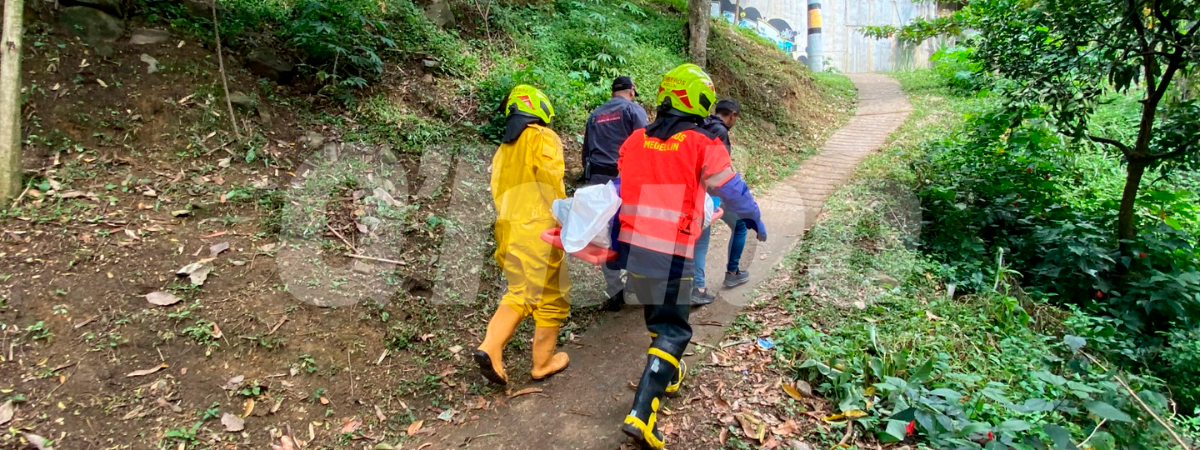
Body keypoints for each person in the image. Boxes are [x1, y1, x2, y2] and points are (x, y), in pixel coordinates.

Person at [614, 64, 767, 450]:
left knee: (658, 319)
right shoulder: (702, 143)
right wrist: (753, 216)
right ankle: (641, 413)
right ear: (698, 101)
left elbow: (619, 186)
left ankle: (670, 373)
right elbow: (731, 189)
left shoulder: (635, 140)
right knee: (674, 331)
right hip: (672, 251)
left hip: (636, 249)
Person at [473, 85, 572, 386]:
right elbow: (550, 180)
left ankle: (494, 347)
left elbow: (497, 192)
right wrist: (566, 218)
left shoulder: (503, 151)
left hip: (508, 231)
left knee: (520, 292)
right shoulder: (542, 137)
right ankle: (539, 362)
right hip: (539, 229)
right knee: (551, 297)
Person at [582, 76, 648, 311]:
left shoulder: (595, 114)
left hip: (598, 181)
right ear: (632, 91)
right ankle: (633, 284)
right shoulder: (633, 110)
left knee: (605, 238)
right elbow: (644, 144)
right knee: (634, 232)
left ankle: (614, 290)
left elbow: (586, 151)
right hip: (625, 181)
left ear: (612, 92)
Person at [702, 100, 752, 290]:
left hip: (697, 190)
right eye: (736, 118)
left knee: (700, 237)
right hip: (715, 192)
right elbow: (719, 166)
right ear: (732, 114)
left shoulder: (702, 124)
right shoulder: (720, 131)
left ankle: (696, 283)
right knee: (740, 225)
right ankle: (732, 273)